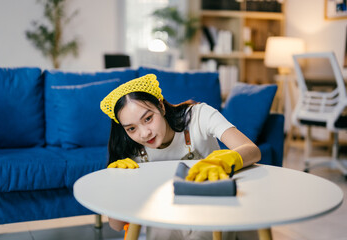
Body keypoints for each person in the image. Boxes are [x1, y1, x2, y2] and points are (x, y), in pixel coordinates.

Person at [100, 73, 261, 240]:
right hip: (167, 215)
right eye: (131, 129)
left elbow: (252, 150)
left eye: (148, 118)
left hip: (214, 206)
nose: (144, 133)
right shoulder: (131, 151)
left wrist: (223, 161)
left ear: (161, 106)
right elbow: (116, 225)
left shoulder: (199, 116)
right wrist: (118, 183)